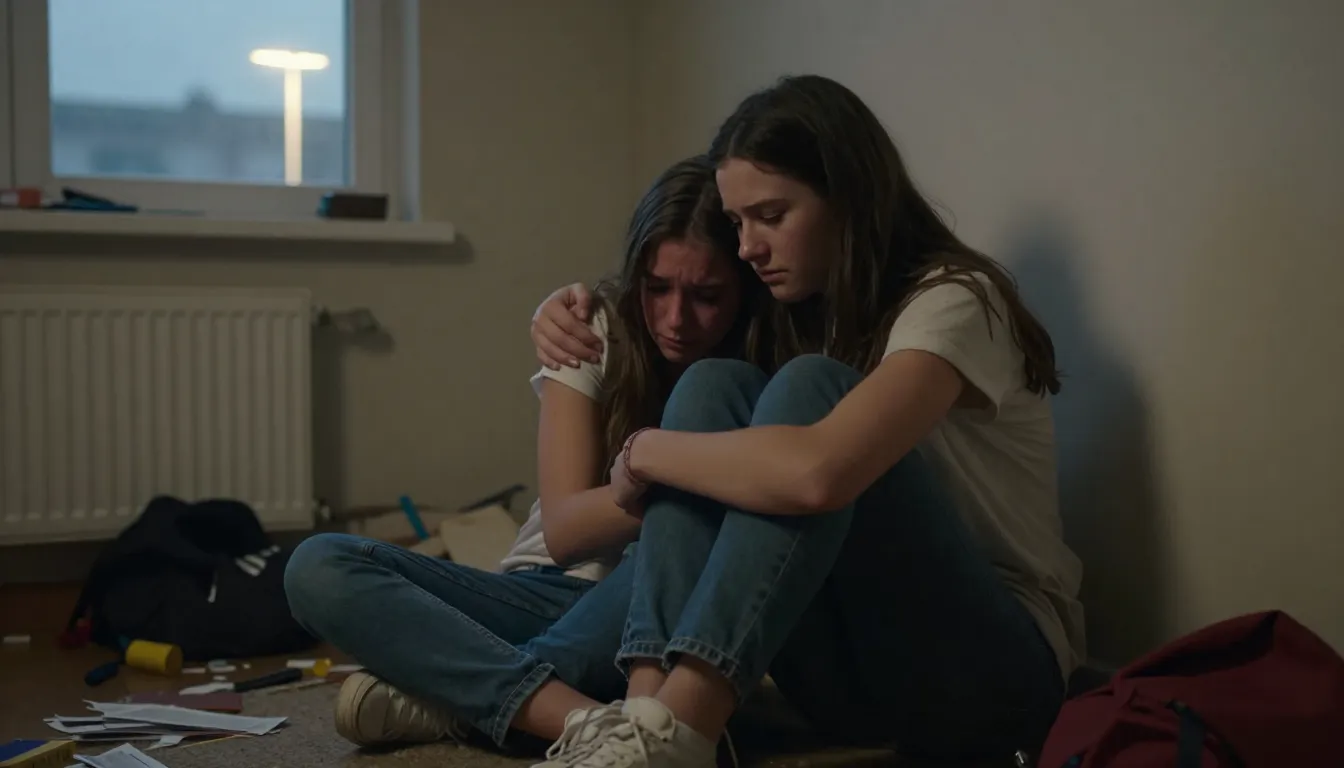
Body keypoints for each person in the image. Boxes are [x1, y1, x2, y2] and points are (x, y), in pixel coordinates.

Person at [528, 74, 1086, 766]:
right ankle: (645, 718)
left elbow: (819, 474)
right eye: (738, 223)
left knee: (811, 391)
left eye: (770, 216)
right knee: (712, 383)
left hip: (996, 678)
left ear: (849, 199)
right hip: (854, 678)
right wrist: (560, 310)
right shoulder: (805, 314)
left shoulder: (956, 301)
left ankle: (680, 727)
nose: (748, 247)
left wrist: (644, 451)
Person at [282, 154, 764, 752]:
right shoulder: (594, 329)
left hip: (649, 606)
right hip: (539, 593)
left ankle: (466, 700)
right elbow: (565, 531)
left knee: (681, 561)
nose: (675, 318)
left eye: (707, 296)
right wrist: (693, 487)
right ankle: (592, 722)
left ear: (744, 288)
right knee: (317, 565)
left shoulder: (754, 373)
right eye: (657, 288)